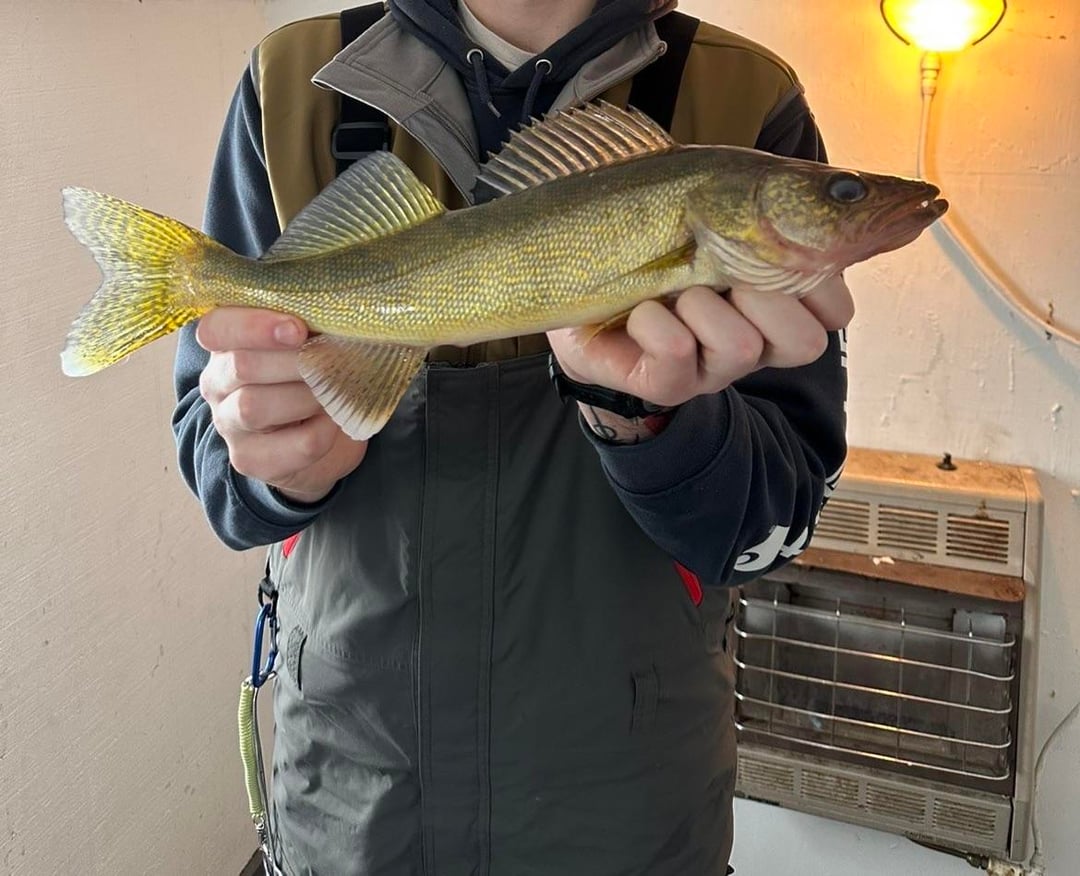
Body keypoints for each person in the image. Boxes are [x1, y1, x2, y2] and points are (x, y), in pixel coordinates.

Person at [173, 1, 853, 873]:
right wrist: (278, 467)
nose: (845, 203)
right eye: (840, 195)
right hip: (349, 812)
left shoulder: (746, 98)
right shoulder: (290, 81)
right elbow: (216, 474)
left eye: (839, 195)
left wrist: (651, 420)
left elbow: (772, 526)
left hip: (628, 826)